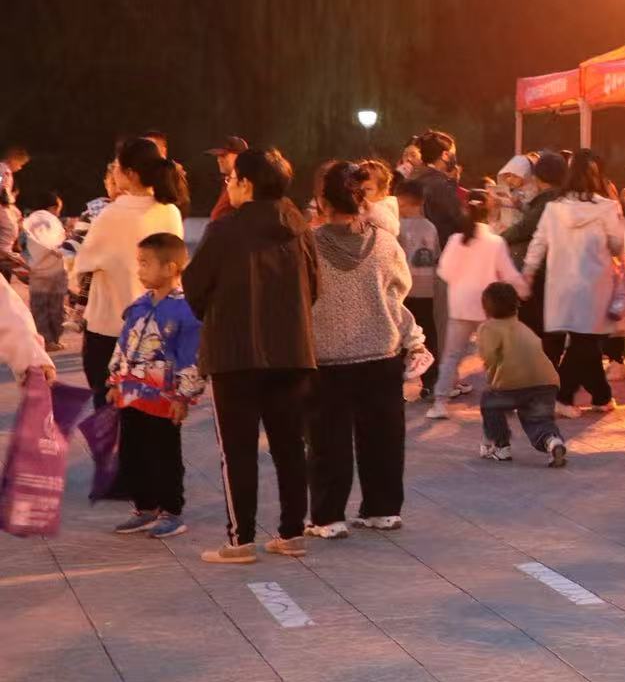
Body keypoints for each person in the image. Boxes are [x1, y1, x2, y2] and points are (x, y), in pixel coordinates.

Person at [182, 148, 318, 565]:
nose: (228, 186)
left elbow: (195, 285)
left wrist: (218, 316)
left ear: (246, 183)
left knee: (238, 450)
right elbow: (314, 288)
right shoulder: (299, 228)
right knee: (290, 445)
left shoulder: (225, 230)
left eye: (231, 179)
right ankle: (292, 532)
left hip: (235, 353)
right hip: (292, 352)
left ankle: (241, 540)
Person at [304, 161, 426, 538]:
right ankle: (383, 510)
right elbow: (399, 290)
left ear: (322, 201)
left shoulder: (308, 244)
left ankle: (328, 518)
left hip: (326, 356)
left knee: (329, 440)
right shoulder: (385, 242)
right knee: (383, 436)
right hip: (382, 352)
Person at [74, 138, 188, 408]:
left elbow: (80, 266)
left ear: (131, 174)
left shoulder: (110, 215)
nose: (113, 171)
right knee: (146, 411)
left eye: (117, 166)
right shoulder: (171, 212)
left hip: (110, 329)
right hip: (157, 329)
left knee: (108, 411)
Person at [104, 232, 202, 540]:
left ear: (171, 268)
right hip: (132, 392)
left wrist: (183, 396)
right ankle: (144, 507)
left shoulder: (186, 311)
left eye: (145, 263)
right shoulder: (139, 306)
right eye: (139, 262)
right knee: (132, 452)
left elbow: (192, 357)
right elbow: (123, 345)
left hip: (163, 397)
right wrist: (115, 380)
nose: (139, 270)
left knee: (164, 455)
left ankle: (171, 511)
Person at [523, 151, 624, 416]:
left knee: (583, 341)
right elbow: (617, 244)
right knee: (587, 341)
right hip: (594, 284)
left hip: (561, 285)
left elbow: (538, 242)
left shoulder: (554, 208)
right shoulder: (607, 207)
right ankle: (562, 396)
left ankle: (602, 396)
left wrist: (528, 272)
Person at [428, 194, 526, 419]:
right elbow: (509, 273)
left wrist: (461, 283)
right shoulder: (495, 242)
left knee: (451, 356)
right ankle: (504, 400)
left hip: (459, 306)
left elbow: (444, 271)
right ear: (490, 213)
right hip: (487, 306)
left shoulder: (456, 240)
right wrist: (523, 289)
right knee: (496, 356)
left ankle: (440, 403)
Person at [477, 281, 567, 467]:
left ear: (486, 308)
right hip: (546, 383)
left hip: (513, 384)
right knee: (538, 419)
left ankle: (500, 446)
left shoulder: (488, 328)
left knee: (489, 402)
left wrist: (493, 383)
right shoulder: (524, 329)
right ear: (516, 306)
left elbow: (489, 358)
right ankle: (552, 441)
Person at [504, 150, 567, 364]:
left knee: (536, 327)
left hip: (541, 273)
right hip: (562, 272)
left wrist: (495, 238)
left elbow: (524, 229)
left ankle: (542, 373)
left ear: (538, 178)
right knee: (554, 329)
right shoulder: (564, 198)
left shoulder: (547, 201)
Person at [394, 180, 442, 397]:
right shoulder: (431, 227)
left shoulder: (398, 227)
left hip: (404, 291)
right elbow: (436, 255)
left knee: (400, 338)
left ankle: (397, 386)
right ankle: (431, 382)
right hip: (426, 290)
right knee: (428, 335)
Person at [22, 192, 67, 349]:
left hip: (37, 271)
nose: (58, 213)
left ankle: (47, 340)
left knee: (40, 308)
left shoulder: (30, 221)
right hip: (54, 270)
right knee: (56, 307)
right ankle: (53, 339)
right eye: (58, 210)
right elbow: (56, 245)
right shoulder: (50, 222)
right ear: (53, 208)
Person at [412, 130, 464, 244]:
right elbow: (456, 220)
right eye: (453, 153)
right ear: (445, 155)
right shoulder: (441, 185)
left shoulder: (413, 179)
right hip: (440, 247)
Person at [205, 136, 248, 222]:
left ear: (239, 156)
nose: (218, 160)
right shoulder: (227, 181)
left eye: (223, 155)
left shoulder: (245, 184)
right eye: (217, 156)